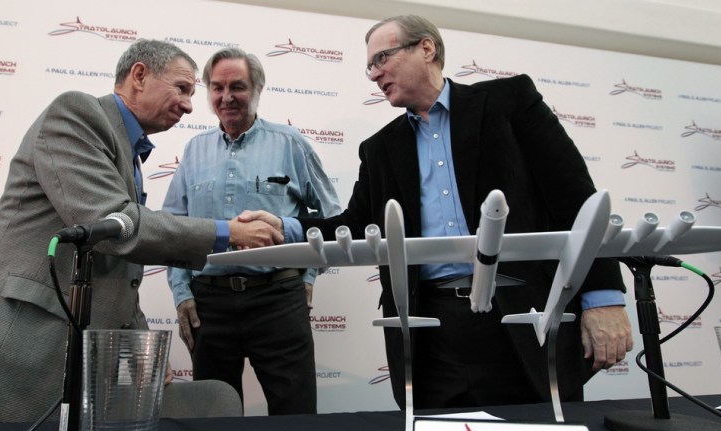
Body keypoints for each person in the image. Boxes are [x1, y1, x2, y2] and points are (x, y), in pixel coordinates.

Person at [245, 15, 633, 410]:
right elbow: (355, 226)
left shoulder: (508, 102)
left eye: (382, 58)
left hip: (523, 317)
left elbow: (576, 198)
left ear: (426, 49)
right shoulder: (379, 149)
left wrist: (603, 297)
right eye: (370, 67)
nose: (374, 75)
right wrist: (288, 226)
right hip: (431, 335)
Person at [0, 40, 283, 423]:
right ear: (139, 75)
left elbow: (118, 270)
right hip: (14, 349)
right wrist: (226, 232)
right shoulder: (77, 114)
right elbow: (113, 223)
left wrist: (141, 345)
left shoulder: (126, 151)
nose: (188, 105)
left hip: (59, 365)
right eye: (182, 88)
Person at [162, 47, 341, 415]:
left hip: (278, 301)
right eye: (217, 87)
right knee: (214, 423)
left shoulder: (290, 143)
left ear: (258, 87)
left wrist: (308, 274)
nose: (226, 97)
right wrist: (182, 293)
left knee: (296, 421)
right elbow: (172, 229)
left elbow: (333, 218)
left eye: (237, 87)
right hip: (208, 307)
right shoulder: (194, 151)